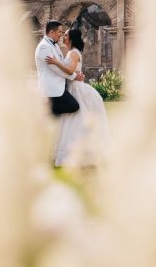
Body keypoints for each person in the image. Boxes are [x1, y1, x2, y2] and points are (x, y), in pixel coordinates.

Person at [46, 28, 110, 167]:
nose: (64, 36)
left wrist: (56, 62)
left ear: (71, 38)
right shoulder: (70, 52)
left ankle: (80, 153)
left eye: (66, 35)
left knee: (76, 122)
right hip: (71, 87)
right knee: (69, 122)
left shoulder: (74, 53)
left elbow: (70, 70)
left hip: (77, 89)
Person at [35, 21, 82, 116]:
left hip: (58, 88)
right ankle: (45, 111)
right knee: (73, 105)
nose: (61, 35)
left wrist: (75, 70)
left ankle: (47, 112)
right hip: (51, 89)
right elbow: (56, 69)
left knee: (56, 122)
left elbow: (61, 62)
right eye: (59, 32)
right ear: (52, 32)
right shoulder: (44, 47)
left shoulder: (55, 45)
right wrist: (74, 76)